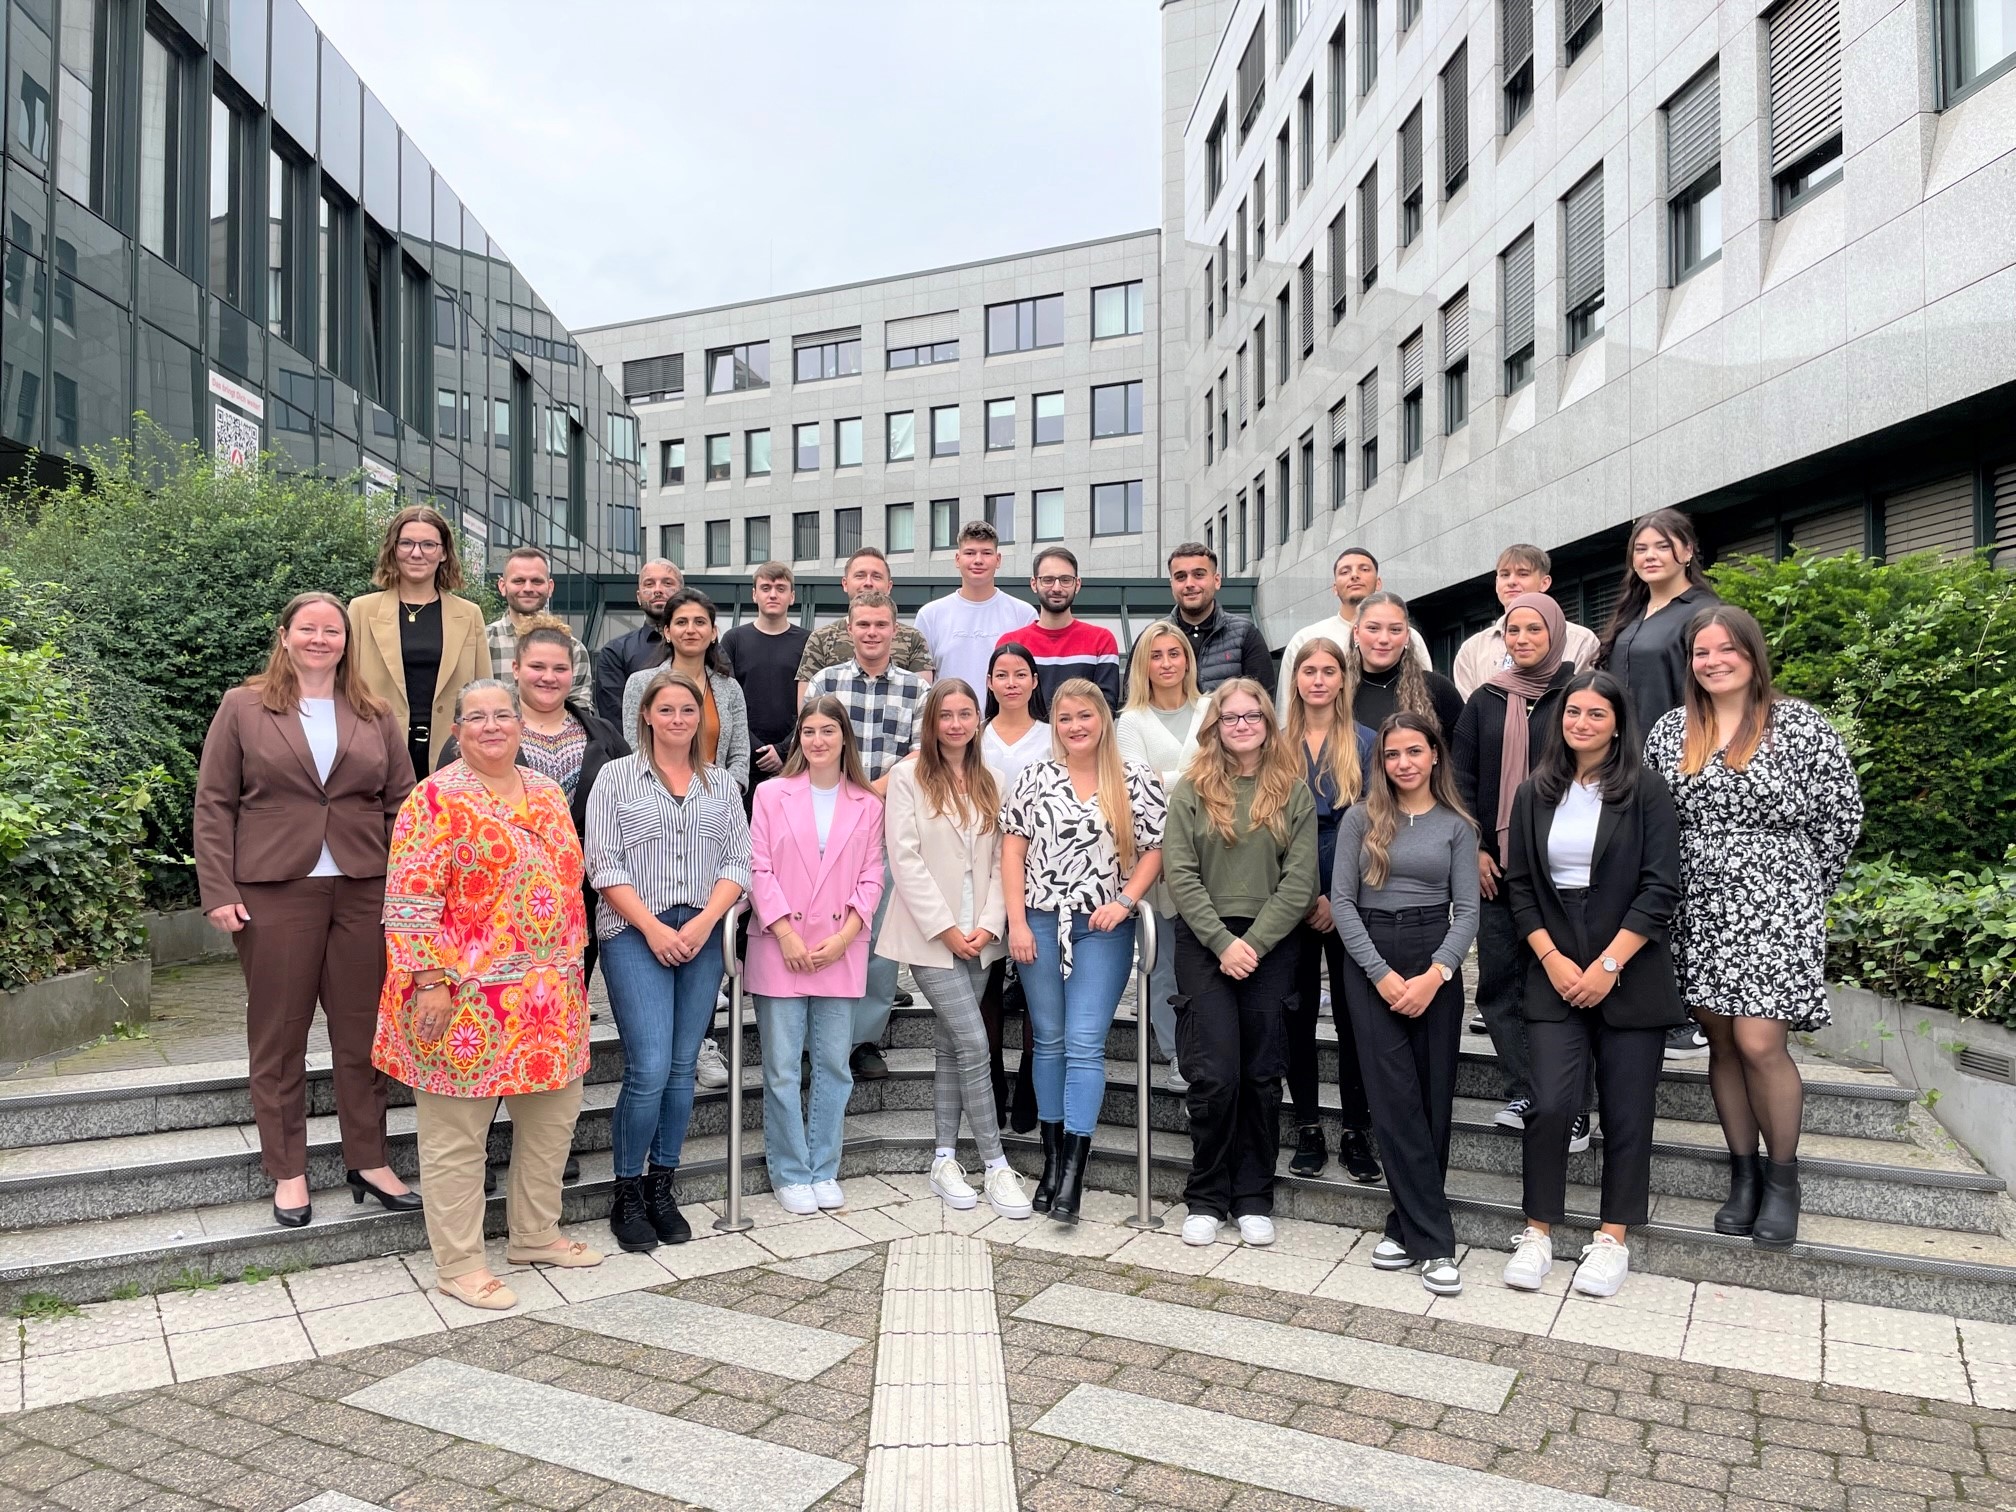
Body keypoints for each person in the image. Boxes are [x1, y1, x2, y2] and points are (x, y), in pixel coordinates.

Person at [194, 592, 418, 1229]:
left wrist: (403, 890)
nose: (321, 639)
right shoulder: (243, 706)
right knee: (280, 1034)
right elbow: (214, 804)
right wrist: (219, 889)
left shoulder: (373, 713)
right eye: (308, 629)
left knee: (363, 1034)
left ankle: (368, 1160)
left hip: (363, 888)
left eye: (332, 630)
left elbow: (403, 805)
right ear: (286, 636)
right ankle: (287, 1171)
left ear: (346, 640)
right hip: (272, 890)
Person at [376, 679, 602, 1311]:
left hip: (547, 1000)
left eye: (503, 714)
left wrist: (572, 974)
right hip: (460, 1000)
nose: (493, 725)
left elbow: (568, 887)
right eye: (476, 717)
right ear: (456, 731)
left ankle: (534, 1235)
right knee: (455, 1138)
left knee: (551, 1124)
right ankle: (460, 1263)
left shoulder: (549, 793)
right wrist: (428, 983)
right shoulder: (434, 799)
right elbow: (409, 901)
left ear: (521, 724)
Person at [1646, 605, 1862, 1251]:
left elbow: (1841, 815)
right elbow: (1654, 820)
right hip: (1699, 903)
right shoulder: (1671, 730)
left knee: (1761, 1042)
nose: (1712, 662)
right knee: (1722, 1045)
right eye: (1701, 653)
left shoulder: (1799, 725)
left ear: (1751, 653)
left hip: (1777, 901)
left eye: (1725, 649)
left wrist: (1800, 890)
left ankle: (1783, 1177)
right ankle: (1742, 1175)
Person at [1501, 671, 1684, 1299]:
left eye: (1595, 714)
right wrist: (1551, 959)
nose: (1581, 723)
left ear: (1617, 723)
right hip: (1553, 961)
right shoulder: (1534, 793)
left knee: (1628, 1112)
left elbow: (1661, 888)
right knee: (1550, 1103)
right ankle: (1538, 1232)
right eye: (1572, 712)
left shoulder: (1647, 792)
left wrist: (1609, 965)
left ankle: (1611, 1240)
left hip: (1628, 965)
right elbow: (1520, 886)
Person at [586, 669, 752, 1252]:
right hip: (636, 931)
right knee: (650, 1065)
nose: (678, 720)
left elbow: (739, 863)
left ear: (702, 719)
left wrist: (705, 923)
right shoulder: (615, 778)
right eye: (668, 710)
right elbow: (602, 864)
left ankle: (663, 1184)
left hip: (703, 931)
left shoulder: (721, 786)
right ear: (647, 716)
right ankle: (626, 1189)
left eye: (689, 711)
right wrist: (654, 928)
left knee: (684, 1065)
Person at [1002, 679, 1167, 1224]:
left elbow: (1154, 849)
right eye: (1066, 717)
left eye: (1085, 716)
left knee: (1085, 1042)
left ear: (1103, 719)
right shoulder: (1034, 777)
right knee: (1047, 1042)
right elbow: (1012, 852)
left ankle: (1074, 1169)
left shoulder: (1134, 779)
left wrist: (1125, 901)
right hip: (1042, 924)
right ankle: (1050, 1165)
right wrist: (1017, 923)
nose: (1076, 726)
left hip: (1101, 925)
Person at [1330, 713, 1481, 1297]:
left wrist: (1436, 974)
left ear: (1435, 755)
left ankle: (1403, 1224)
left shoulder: (1456, 825)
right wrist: (1383, 976)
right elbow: (1342, 903)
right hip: (1371, 956)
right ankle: (1436, 1244)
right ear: (1382, 762)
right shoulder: (1360, 819)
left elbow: (1467, 911)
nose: (1403, 763)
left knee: (1432, 1096)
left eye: (1414, 752)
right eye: (1392, 755)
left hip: (1432, 955)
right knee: (1392, 1099)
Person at [1163, 680, 1316, 1248]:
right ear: (1215, 726)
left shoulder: (1292, 792)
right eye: (1231, 717)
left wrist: (1255, 942)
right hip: (1204, 943)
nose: (1243, 725)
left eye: (1253, 715)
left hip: (1271, 946)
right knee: (1215, 1073)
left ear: (1268, 723)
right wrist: (1222, 943)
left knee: (1260, 1074)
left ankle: (1253, 1196)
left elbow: (1302, 882)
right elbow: (1179, 873)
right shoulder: (1192, 790)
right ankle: (1206, 1196)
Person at [880, 679, 1035, 1219]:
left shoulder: (992, 779)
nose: (955, 724)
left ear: (977, 718)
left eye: (965, 714)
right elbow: (904, 858)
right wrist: (945, 927)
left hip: (981, 938)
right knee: (974, 1042)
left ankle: (944, 1159)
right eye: (945, 714)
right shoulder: (907, 777)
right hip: (931, 938)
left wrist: (991, 925)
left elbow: (1002, 862)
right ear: (933, 720)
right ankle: (995, 1163)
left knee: (952, 1045)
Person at [1452, 593, 1585, 1135]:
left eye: (1535, 629)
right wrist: (1478, 846)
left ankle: (1572, 1102)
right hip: (1497, 869)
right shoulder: (1484, 699)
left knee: (1559, 984)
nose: (1523, 639)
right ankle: (1525, 1090)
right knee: (1500, 983)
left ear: (1555, 632)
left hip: (1561, 871)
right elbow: (1460, 780)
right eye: (1514, 630)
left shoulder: (1577, 693)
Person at [745, 697, 884, 1214]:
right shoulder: (771, 794)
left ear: (845, 737)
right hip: (780, 944)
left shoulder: (868, 804)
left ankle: (824, 1166)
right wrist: (784, 934)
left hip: (838, 948)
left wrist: (846, 936)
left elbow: (873, 875)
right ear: (797, 738)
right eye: (809, 731)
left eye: (829, 730)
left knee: (833, 1064)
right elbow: (757, 868)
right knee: (781, 1067)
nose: (818, 740)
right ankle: (789, 1169)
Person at [803, 591, 929, 1080]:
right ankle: (819, 1040)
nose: (872, 632)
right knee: (823, 926)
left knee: (876, 936)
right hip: (825, 825)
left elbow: (921, 755)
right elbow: (810, 745)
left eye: (881, 624)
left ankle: (862, 1040)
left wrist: (865, 794)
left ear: (894, 630)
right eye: (863, 624)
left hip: (887, 825)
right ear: (850, 629)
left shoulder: (917, 691)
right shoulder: (824, 681)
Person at [1277, 637, 1382, 1185]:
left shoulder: (1363, 743)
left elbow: (1367, 825)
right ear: (1295, 680)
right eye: (1308, 671)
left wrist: (1337, 898)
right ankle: (1308, 1126)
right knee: (1293, 1016)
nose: (1318, 679)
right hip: (1290, 896)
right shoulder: (1275, 743)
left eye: (1328, 671)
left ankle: (1356, 1130)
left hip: (1350, 895)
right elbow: (1269, 827)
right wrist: (1302, 895)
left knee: (1352, 1017)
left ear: (1344, 679)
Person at [1114, 621, 1209, 1093]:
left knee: (1208, 957)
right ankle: (1175, 1053)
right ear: (1142, 665)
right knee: (1163, 959)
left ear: (1188, 660)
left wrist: (1166, 778)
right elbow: (1136, 789)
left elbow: (1226, 777)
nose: (1167, 663)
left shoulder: (1212, 709)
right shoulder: (1129, 721)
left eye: (1175, 653)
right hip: (1155, 857)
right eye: (1156, 655)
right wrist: (1193, 775)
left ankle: (1210, 1047)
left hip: (1213, 854)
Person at [348, 504, 485, 778]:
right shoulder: (362, 611)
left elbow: (484, 691)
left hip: (452, 754)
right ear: (394, 549)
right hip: (376, 748)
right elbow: (344, 685)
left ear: (444, 552)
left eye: (428, 544)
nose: (416, 552)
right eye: (407, 543)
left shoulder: (469, 615)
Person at [1597, 508, 1721, 745]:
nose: (1650, 556)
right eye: (1641, 549)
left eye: (1662, 547)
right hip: (1620, 755)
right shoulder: (1631, 611)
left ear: (1688, 551)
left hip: (1680, 748)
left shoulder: (1705, 612)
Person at [620, 588, 751, 792]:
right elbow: (635, 749)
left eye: (699, 622)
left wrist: (726, 792)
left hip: (715, 802)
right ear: (667, 632)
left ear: (713, 632)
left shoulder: (730, 688)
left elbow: (740, 755)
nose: (691, 630)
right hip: (655, 800)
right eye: (681, 622)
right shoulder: (640, 684)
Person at [1278, 547, 1432, 706]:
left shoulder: (1408, 637)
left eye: (1364, 569)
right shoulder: (1305, 639)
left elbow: (1426, 694)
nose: (1354, 575)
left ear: (1378, 582)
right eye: (1345, 572)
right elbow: (1286, 710)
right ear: (1334, 588)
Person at [1451, 544, 1602, 698]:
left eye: (1522, 574)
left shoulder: (1580, 641)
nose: (1511, 582)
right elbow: (1469, 711)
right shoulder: (1472, 649)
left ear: (1544, 583)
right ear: (1497, 584)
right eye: (1504, 575)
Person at [795, 547, 935, 700]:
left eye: (876, 576)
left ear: (889, 586)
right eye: (860, 575)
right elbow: (808, 709)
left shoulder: (913, 638)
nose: (868, 583)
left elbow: (921, 702)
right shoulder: (821, 639)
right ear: (845, 583)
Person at [914, 522, 1036, 694]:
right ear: (957, 559)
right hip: (949, 719)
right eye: (970, 553)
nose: (978, 560)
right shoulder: (930, 616)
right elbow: (921, 686)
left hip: (1006, 720)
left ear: (998, 559)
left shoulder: (1023, 614)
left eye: (986, 553)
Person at [722, 562, 811, 797]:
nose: (773, 594)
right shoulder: (733, 640)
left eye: (781, 588)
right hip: (744, 761)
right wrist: (758, 750)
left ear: (792, 596)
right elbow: (725, 701)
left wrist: (784, 750)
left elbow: (814, 704)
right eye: (766, 588)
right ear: (754, 594)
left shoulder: (809, 642)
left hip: (796, 758)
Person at [1000, 546, 1121, 710]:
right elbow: (1003, 706)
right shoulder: (1010, 643)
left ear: (1077, 584)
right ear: (1034, 584)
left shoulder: (1101, 641)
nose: (1057, 588)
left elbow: (1105, 708)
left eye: (1065, 580)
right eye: (1048, 580)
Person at [1344, 591, 1466, 738]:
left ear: (1407, 636)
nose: (1383, 639)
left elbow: (1462, 756)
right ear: (1356, 633)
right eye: (1373, 628)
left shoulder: (1438, 689)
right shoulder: (1337, 691)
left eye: (1395, 630)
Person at [485, 546, 592, 702]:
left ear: (550, 587)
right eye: (519, 581)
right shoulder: (483, 642)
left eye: (536, 581)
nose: (528, 588)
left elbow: (580, 714)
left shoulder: (574, 649)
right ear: (502, 586)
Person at [1164, 542, 1271, 692]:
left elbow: (1262, 703)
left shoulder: (1245, 635)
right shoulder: (1153, 638)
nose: (1189, 583)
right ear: (1172, 585)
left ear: (1217, 581)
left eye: (1199, 575)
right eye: (1180, 577)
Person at [593, 558, 684, 727]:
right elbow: (616, 718)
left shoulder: (706, 648)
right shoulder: (615, 652)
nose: (658, 590)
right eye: (649, 584)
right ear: (638, 596)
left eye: (667, 583)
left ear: (682, 592)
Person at [981, 641, 1052, 793]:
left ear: (1034, 681)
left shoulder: (1053, 736)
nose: (1011, 683)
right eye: (1001, 675)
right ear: (990, 682)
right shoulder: (974, 735)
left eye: (1020, 675)